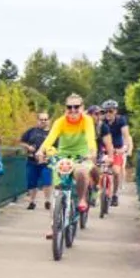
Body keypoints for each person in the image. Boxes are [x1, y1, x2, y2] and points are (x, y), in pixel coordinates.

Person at [36, 93, 97, 239]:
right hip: (62, 157)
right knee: (57, 191)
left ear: (82, 108)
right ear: (66, 108)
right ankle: (54, 226)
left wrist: (92, 152)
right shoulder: (60, 122)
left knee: (81, 172)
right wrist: (41, 151)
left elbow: (90, 138)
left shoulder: (87, 121)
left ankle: (82, 199)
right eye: (70, 107)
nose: (73, 110)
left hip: (81, 156)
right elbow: (50, 138)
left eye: (77, 107)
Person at [101, 99, 133, 206]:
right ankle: (93, 193)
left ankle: (114, 195)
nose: (108, 114)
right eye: (105, 111)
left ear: (115, 111)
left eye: (110, 111)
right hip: (103, 148)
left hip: (117, 149)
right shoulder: (101, 121)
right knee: (93, 170)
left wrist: (125, 148)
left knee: (116, 172)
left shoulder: (121, 120)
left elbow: (126, 135)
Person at [20, 112, 52, 210]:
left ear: (48, 121)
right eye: (41, 119)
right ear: (38, 120)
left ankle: (47, 201)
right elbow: (21, 142)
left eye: (45, 119)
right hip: (32, 161)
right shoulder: (31, 131)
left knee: (47, 182)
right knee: (32, 182)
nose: (43, 121)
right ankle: (32, 202)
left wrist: (50, 154)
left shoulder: (52, 133)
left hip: (46, 162)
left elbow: (58, 147)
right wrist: (28, 147)